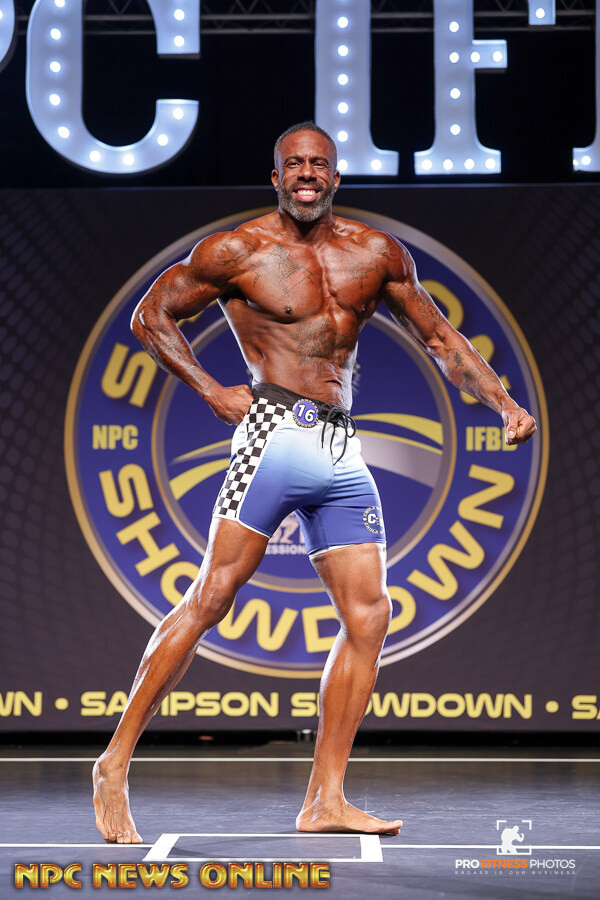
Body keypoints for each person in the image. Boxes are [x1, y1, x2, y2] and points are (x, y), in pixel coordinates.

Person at [93, 122, 536, 843]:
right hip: (271, 434)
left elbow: (441, 339)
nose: (307, 173)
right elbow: (152, 316)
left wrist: (504, 402)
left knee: (370, 616)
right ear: (276, 177)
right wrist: (210, 389)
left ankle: (324, 799)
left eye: (318, 164)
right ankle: (113, 763)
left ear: (335, 176)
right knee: (211, 598)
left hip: (339, 446)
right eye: (294, 164)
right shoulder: (237, 251)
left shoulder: (377, 253)